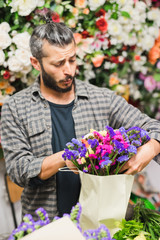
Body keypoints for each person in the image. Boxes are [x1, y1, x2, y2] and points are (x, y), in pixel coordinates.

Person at [1, 11, 160, 221]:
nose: (69, 70)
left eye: (72, 60)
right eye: (58, 64)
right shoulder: (15, 107)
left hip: (101, 223)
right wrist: (70, 156)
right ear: (36, 63)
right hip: (46, 226)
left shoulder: (102, 99)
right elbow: (18, 170)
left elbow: (153, 127)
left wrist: (153, 146)